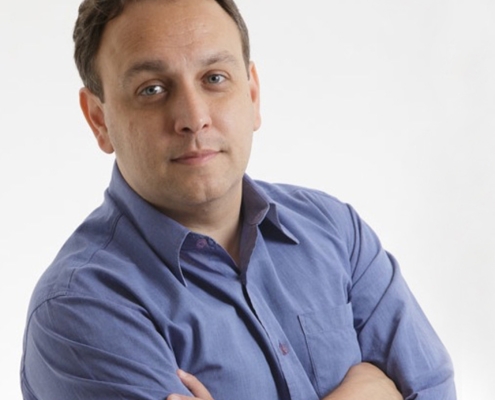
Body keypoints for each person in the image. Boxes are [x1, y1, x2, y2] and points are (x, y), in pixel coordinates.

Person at [20, 0, 456, 399]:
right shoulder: (79, 309)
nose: (194, 118)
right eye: (152, 89)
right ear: (99, 120)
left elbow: (435, 389)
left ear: (251, 94)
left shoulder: (336, 232)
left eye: (214, 78)